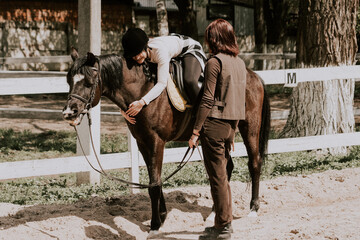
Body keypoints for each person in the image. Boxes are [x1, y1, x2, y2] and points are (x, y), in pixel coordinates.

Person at [188, 19, 247, 240]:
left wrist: (195, 131)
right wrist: (233, 131)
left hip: (213, 124)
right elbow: (239, 100)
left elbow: (206, 99)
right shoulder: (239, 63)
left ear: (215, 39)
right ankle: (222, 223)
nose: (207, 42)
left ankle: (223, 227)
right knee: (221, 177)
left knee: (218, 178)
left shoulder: (214, 62)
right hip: (230, 125)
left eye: (209, 38)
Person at [121, 28, 207, 118]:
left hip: (189, 49)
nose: (137, 58)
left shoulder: (160, 52)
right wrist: (124, 110)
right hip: (171, 44)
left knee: (189, 80)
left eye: (138, 53)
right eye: (133, 55)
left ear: (145, 47)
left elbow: (162, 83)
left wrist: (142, 102)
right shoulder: (134, 54)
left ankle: (204, 112)